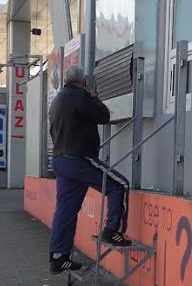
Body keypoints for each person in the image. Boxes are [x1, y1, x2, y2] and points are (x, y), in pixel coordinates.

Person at [48, 65, 131, 273]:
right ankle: (112, 230)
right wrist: (93, 96)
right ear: (82, 82)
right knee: (119, 186)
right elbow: (103, 116)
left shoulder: (57, 101)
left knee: (65, 210)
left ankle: (59, 256)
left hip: (60, 159)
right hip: (79, 158)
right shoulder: (80, 96)